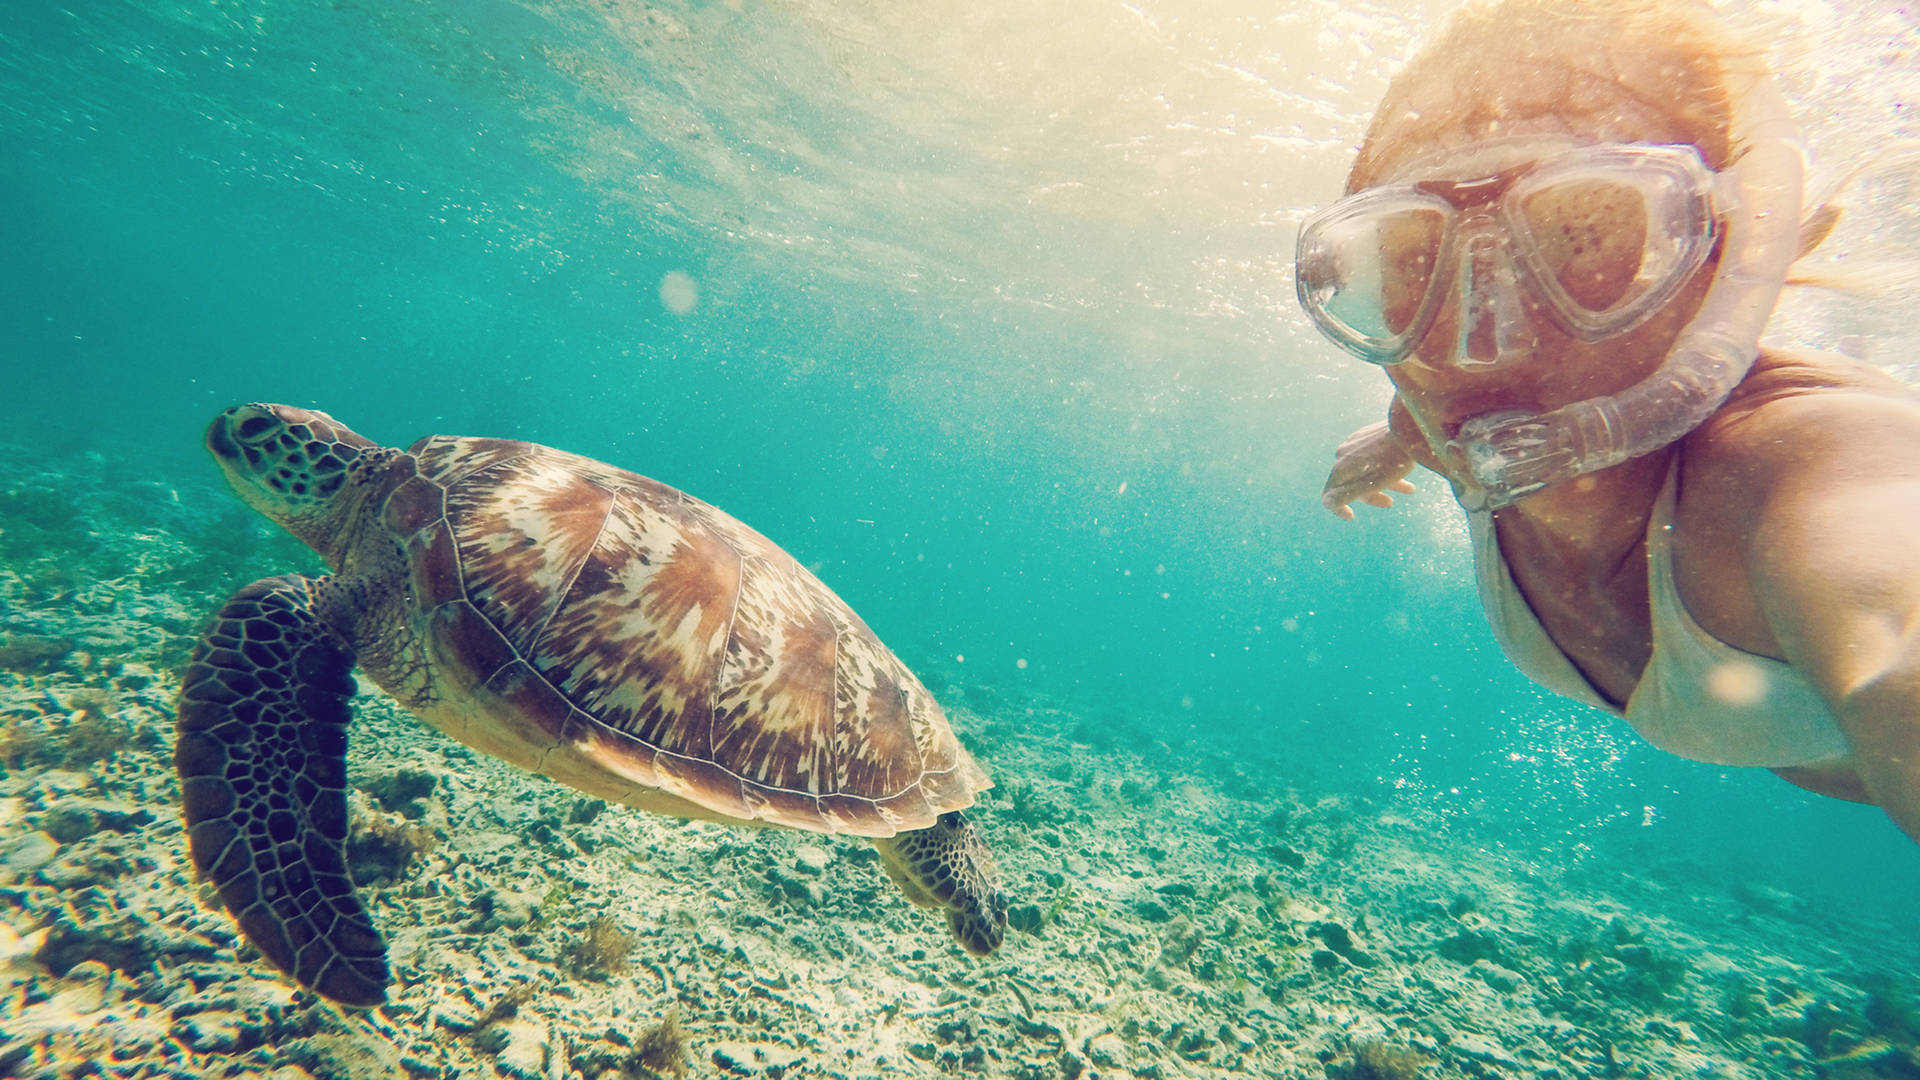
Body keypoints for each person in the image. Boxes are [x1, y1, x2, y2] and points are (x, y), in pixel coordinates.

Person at [1297, 0, 1920, 844]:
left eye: (1582, 236)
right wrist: (1390, 443)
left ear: (1724, 268)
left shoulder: (1810, 464)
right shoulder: (1446, 421)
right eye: (1412, 258)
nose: (1482, 344)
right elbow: (1423, 411)